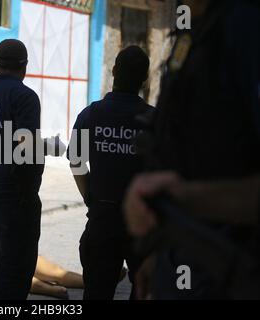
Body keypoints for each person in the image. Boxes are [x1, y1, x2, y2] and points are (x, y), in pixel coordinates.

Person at [123, 0, 260, 299]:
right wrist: (158, 253)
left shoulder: (246, 26)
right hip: (181, 266)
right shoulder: (194, 34)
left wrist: (188, 199)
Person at [0, 39, 64, 300]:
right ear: (24, 67)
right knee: (15, 271)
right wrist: (49, 147)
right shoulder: (24, 97)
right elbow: (24, 147)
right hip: (14, 198)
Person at [67, 46, 154, 300]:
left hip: (102, 218)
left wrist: (89, 196)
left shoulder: (90, 114)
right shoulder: (154, 120)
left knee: (96, 291)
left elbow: (76, 160)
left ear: (114, 71)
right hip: (142, 223)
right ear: (145, 79)